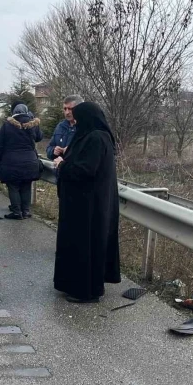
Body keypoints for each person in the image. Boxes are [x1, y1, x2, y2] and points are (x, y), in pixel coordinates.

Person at [51, 102, 121, 303]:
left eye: (78, 118)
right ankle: (74, 285)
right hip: (83, 203)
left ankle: (86, 291)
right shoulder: (95, 136)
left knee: (85, 247)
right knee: (79, 246)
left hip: (88, 206)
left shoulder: (96, 138)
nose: (76, 122)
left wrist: (62, 165)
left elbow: (85, 170)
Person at [0, 104, 43, 220]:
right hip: (30, 161)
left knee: (13, 186)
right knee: (26, 185)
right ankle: (25, 211)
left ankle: (16, 211)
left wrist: (0, 159)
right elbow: (39, 137)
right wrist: (33, 119)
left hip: (11, 161)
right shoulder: (33, 124)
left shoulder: (6, 126)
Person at [46, 95, 83, 160]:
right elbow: (49, 148)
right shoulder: (60, 126)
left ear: (79, 109)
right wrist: (53, 151)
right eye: (65, 109)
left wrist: (71, 151)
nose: (67, 112)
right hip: (59, 168)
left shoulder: (85, 127)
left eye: (70, 109)